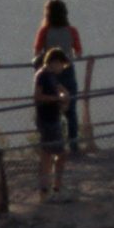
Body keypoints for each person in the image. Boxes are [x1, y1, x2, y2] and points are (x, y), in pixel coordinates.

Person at [32, 0, 84, 154]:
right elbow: (79, 52)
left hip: (49, 73)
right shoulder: (72, 31)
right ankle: (73, 144)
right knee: (71, 110)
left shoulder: (44, 31)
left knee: (50, 108)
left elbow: (36, 51)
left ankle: (51, 144)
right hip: (67, 70)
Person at [32, 48, 73, 198]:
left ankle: (47, 187)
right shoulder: (43, 75)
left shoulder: (51, 76)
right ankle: (55, 187)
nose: (62, 69)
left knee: (47, 154)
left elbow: (61, 91)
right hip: (47, 119)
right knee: (58, 153)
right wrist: (57, 99)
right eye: (61, 65)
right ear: (55, 62)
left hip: (52, 117)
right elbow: (38, 96)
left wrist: (64, 96)